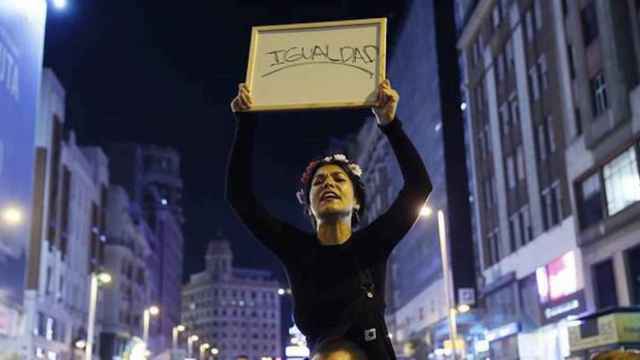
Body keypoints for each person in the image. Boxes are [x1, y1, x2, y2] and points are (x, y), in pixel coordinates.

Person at [226, 79, 432, 359]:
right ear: (308, 204)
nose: (328, 185)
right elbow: (240, 197)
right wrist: (246, 123)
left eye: (339, 179)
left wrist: (390, 124)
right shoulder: (294, 249)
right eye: (319, 182)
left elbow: (419, 186)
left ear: (356, 199)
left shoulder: (374, 244)